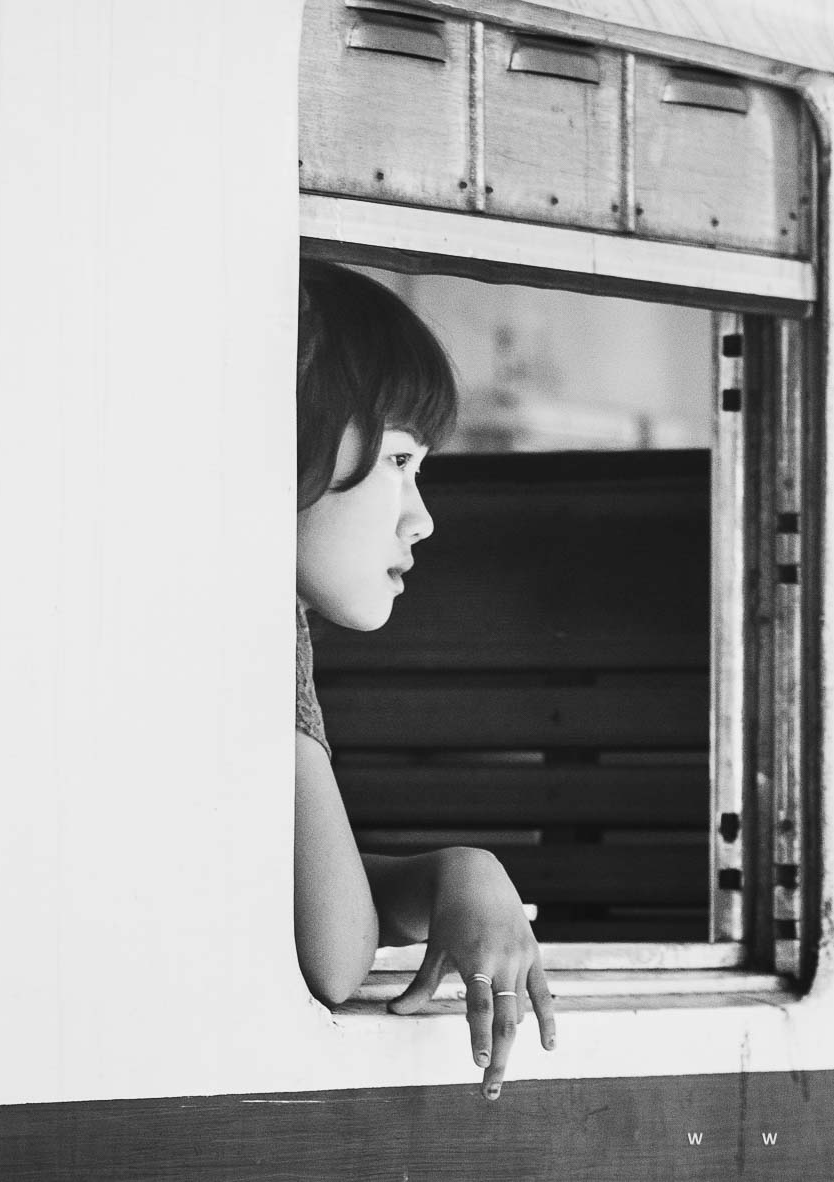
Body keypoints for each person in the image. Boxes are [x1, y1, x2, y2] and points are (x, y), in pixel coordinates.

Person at [294, 260, 554, 1099]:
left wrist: (444, 875)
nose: (422, 516)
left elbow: (286, 880)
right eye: (399, 458)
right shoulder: (247, 638)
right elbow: (333, 956)